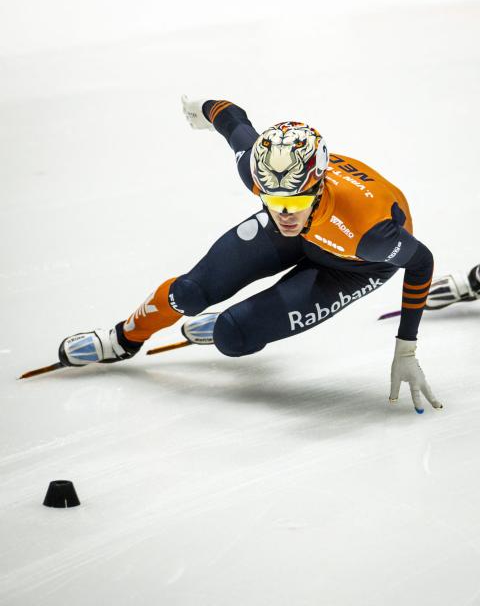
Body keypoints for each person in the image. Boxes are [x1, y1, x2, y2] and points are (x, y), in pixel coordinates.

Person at [57, 96, 443, 414]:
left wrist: (405, 348)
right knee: (190, 291)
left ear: (319, 185)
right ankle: (123, 338)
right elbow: (233, 121)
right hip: (311, 236)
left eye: (296, 200)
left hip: (355, 266)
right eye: (273, 201)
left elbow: (420, 262)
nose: (286, 213)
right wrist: (202, 107)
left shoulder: (370, 232)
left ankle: (228, 322)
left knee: (233, 336)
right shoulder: (259, 172)